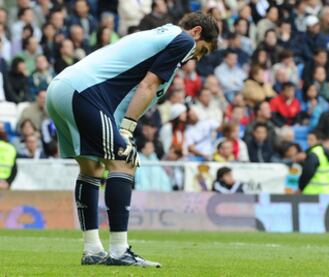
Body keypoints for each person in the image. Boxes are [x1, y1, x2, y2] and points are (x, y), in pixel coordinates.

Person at [46, 12, 218, 267]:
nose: (197, 57)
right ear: (196, 32)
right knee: (123, 163)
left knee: (91, 168)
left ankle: (92, 249)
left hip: (61, 88)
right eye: (202, 50)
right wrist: (127, 130)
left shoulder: (158, 36)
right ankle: (118, 250)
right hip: (86, 93)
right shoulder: (183, 41)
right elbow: (148, 86)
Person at [0, 123, 17, 189]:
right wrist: (8, 182)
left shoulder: (11, 149)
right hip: (5, 185)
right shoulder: (11, 148)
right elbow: (14, 170)